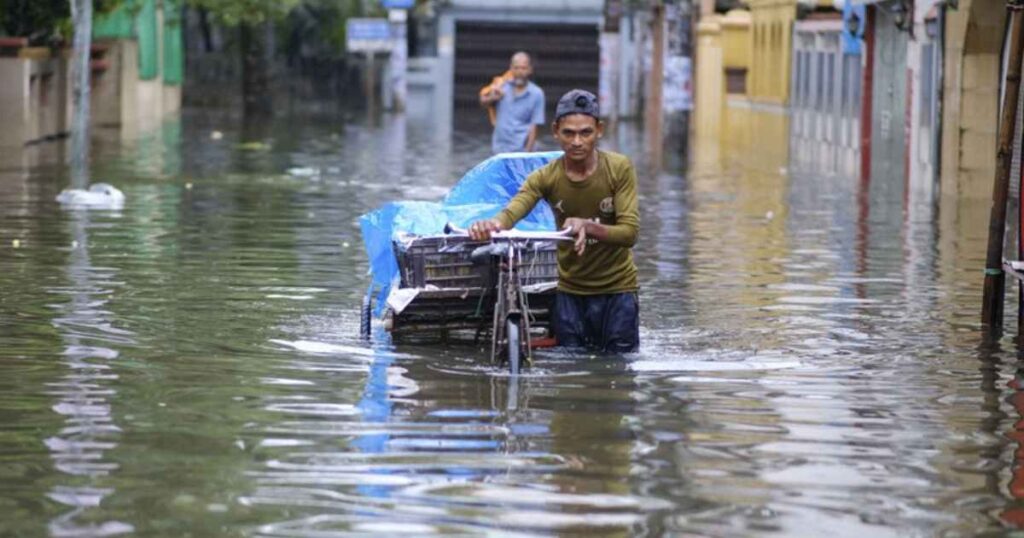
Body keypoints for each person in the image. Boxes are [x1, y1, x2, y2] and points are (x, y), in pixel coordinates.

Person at [469, 89, 640, 352]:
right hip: (570, 292)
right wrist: (490, 225)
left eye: (586, 133)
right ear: (556, 131)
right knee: (569, 367)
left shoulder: (619, 168)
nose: (577, 141)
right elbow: (513, 211)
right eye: (569, 133)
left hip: (618, 292)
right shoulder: (545, 177)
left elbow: (629, 233)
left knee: (619, 370)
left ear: (599, 131)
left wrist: (587, 225)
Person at [478, 52, 546, 154]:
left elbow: (534, 126)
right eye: (516, 68)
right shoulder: (501, 86)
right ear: (511, 68)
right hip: (499, 149)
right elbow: (483, 102)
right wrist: (493, 97)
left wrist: (526, 154)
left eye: (523, 68)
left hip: (521, 149)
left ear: (530, 70)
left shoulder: (536, 94)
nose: (519, 72)